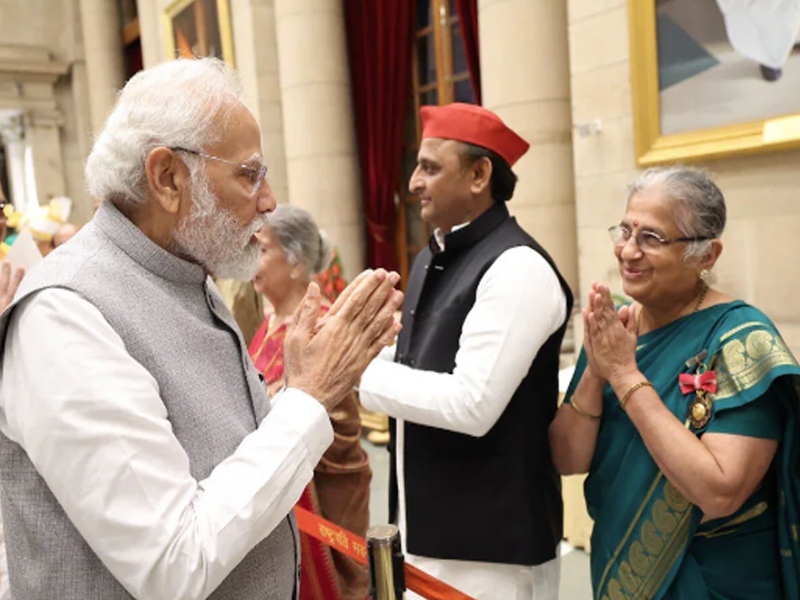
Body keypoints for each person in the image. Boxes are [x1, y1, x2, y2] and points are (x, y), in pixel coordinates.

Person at [0, 57, 402, 600]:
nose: (269, 200)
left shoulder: (185, 273)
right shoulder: (65, 316)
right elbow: (174, 563)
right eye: (249, 172)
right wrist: (308, 397)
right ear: (168, 178)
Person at [549, 166, 800, 599]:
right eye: (625, 231)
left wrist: (625, 375)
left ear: (707, 255)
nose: (628, 251)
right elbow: (566, 458)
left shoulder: (742, 340)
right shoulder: (616, 328)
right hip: (621, 566)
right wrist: (596, 370)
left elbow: (719, 491)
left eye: (651, 238)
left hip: (715, 581)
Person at [358, 103, 573, 600]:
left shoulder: (517, 267)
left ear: (479, 175)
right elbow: (419, 369)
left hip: (491, 554)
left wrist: (356, 371)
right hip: (427, 535)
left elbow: (470, 403)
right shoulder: (434, 258)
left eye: (430, 167)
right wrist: (356, 350)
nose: (413, 183)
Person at [249, 205, 370, 600]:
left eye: (262, 249)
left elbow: (332, 420)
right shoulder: (268, 324)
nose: (252, 258)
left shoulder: (322, 326)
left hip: (318, 499)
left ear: (297, 262)